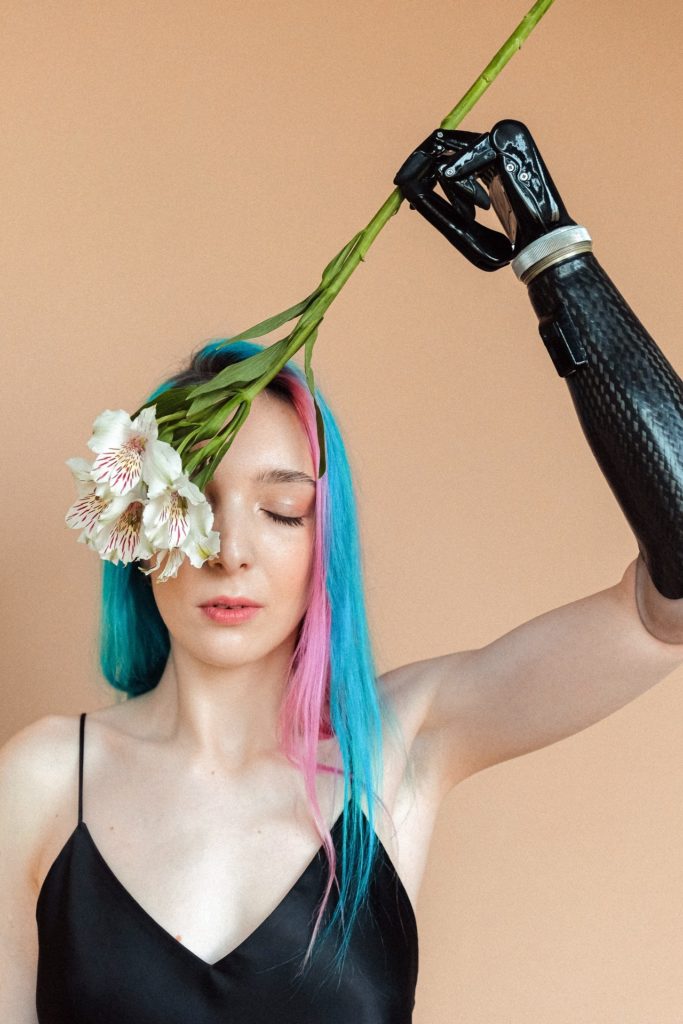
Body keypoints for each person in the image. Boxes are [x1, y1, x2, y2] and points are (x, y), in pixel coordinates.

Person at [2, 119, 683, 1023]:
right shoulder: (46, 776)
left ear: (326, 543)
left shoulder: (399, 752)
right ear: (136, 525)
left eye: (282, 511)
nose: (231, 550)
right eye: (197, 503)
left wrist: (553, 255)